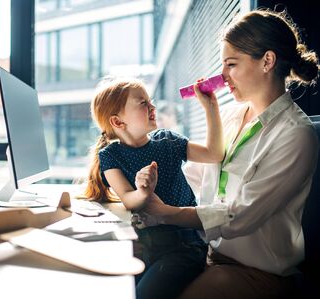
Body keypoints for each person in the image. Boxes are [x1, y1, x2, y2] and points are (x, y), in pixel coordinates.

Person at [136, 9, 320, 299]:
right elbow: (196, 176)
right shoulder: (234, 116)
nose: (222, 76)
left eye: (231, 64)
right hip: (210, 253)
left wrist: (166, 213)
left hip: (256, 272)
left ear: (267, 62)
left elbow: (239, 217)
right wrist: (148, 186)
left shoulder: (296, 134)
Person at [83, 77, 224, 299]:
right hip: (145, 245)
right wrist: (143, 191)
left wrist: (211, 107)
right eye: (142, 103)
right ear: (118, 122)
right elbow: (129, 199)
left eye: (151, 101)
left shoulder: (168, 141)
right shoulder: (110, 156)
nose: (153, 107)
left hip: (184, 245)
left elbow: (213, 153)